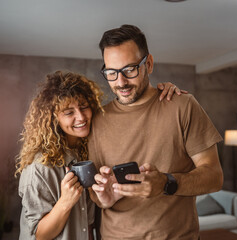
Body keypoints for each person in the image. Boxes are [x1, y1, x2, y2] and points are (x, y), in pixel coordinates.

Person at [88, 24, 224, 240]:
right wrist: (103, 199)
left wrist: (167, 183)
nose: (120, 82)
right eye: (111, 73)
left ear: (148, 64)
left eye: (129, 69)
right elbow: (95, 194)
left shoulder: (182, 106)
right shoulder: (96, 120)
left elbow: (214, 177)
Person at [16, 70, 181, 240]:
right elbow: (38, 235)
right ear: (53, 119)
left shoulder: (89, 151)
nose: (80, 117)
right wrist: (65, 201)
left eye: (83, 107)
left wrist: (163, 94)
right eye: (69, 112)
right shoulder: (39, 168)